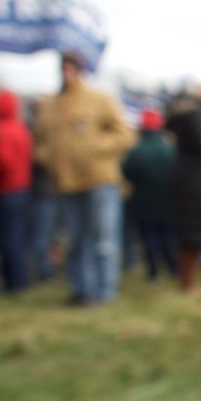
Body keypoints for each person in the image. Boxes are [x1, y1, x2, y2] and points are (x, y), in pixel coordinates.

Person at [34, 50, 135, 306]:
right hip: (67, 183)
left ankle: (105, 291)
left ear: (80, 70)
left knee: (103, 240)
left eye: (72, 67)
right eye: (64, 67)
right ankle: (83, 290)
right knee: (76, 241)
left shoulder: (99, 99)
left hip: (100, 181)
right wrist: (51, 158)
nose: (68, 73)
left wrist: (96, 148)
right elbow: (41, 141)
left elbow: (124, 134)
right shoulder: (52, 105)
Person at [0, 89, 34, 292]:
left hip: (5, 189)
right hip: (21, 188)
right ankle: (20, 278)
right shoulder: (20, 128)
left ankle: (13, 281)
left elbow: (2, 163)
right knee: (18, 235)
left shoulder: (1, 130)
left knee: (8, 237)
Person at [166, 107, 201, 292]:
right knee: (191, 239)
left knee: (188, 239)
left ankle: (187, 281)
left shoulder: (180, 156)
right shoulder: (195, 158)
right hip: (195, 191)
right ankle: (188, 283)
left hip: (189, 188)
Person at [121, 109, 177, 281]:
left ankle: (154, 271)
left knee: (149, 236)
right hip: (167, 201)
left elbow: (127, 172)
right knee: (168, 235)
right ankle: (173, 268)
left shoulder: (136, 151)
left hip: (143, 201)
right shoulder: (169, 149)